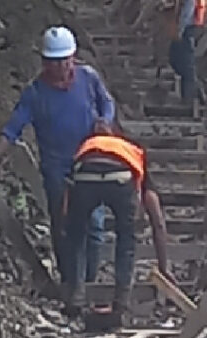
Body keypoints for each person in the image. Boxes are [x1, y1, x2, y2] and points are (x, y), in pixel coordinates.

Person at [0, 26, 113, 286]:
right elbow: (13, 129)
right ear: (44, 63)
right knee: (63, 223)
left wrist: (105, 121)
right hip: (57, 167)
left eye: (65, 61)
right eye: (54, 63)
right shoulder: (36, 93)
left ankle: (89, 281)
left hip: (89, 159)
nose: (61, 68)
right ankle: (69, 281)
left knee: (95, 224)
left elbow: (107, 103)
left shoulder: (88, 78)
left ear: (73, 58)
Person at [61, 130, 170, 322]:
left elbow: (67, 198)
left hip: (85, 174)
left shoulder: (88, 145)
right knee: (126, 239)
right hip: (121, 176)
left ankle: (76, 298)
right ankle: (121, 301)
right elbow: (158, 223)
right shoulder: (134, 153)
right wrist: (164, 267)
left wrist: (70, 223)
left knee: (76, 237)